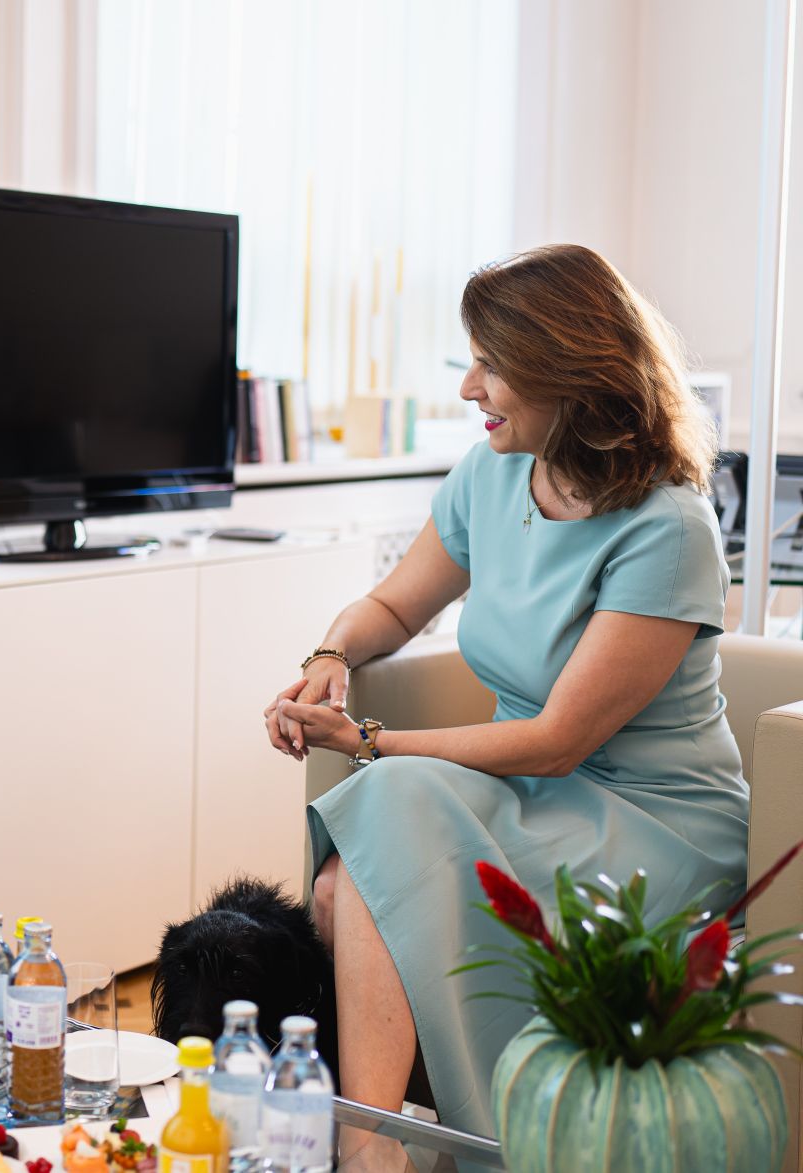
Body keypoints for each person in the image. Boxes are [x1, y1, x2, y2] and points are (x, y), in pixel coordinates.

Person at [261, 245, 748, 1144]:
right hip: (523, 790)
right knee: (337, 888)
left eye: (490, 364)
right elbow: (392, 606)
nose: (468, 387)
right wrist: (333, 651)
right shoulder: (489, 475)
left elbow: (558, 740)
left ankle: (374, 1148)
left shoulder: (667, 525)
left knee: (368, 833)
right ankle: (395, 1142)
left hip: (650, 819)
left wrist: (368, 741)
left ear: (565, 371)